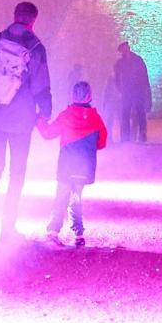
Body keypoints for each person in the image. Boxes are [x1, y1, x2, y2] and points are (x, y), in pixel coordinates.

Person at [0, 2, 53, 241]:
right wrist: (46, 110)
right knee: (17, 173)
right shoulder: (36, 47)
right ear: (33, 21)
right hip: (22, 120)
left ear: (15, 15)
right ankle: (7, 228)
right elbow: (40, 85)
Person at [36, 81, 108, 247]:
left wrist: (39, 120)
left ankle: (53, 230)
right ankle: (79, 234)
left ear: (72, 95)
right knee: (76, 199)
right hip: (84, 167)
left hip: (66, 166)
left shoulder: (66, 115)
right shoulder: (96, 119)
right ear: (90, 96)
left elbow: (48, 134)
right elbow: (101, 142)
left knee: (61, 197)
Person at [113, 42, 151, 142]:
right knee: (126, 113)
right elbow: (117, 78)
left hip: (137, 90)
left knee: (139, 112)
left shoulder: (137, 60)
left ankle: (142, 134)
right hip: (127, 91)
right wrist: (120, 89)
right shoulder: (120, 63)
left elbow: (144, 75)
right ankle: (126, 136)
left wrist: (144, 88)